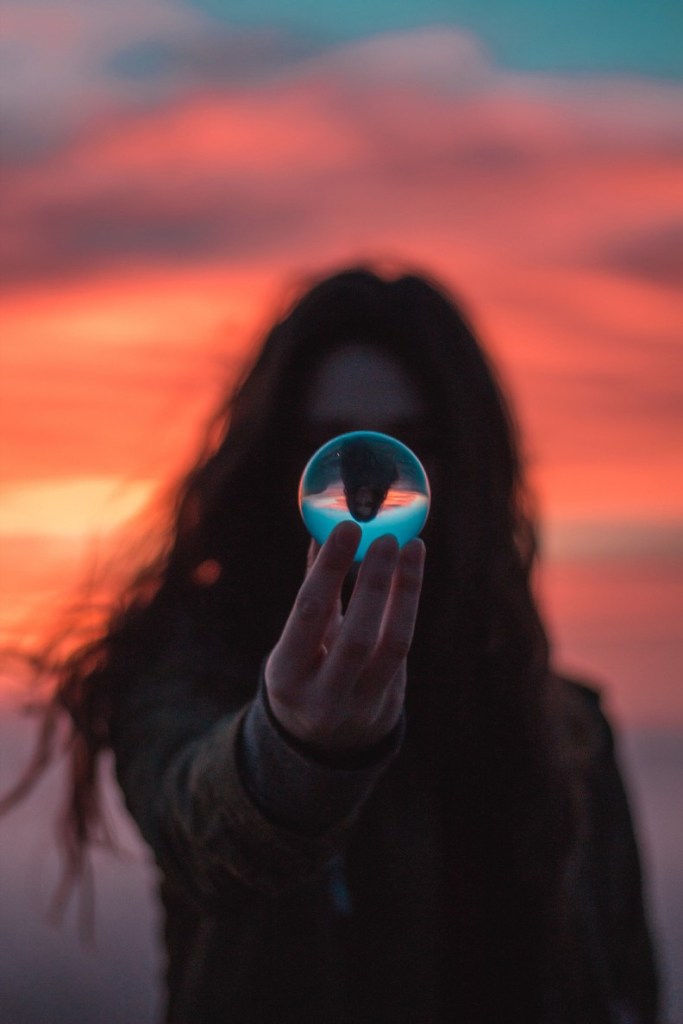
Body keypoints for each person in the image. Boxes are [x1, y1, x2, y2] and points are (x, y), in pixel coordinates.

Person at [6, 267, 659, 1022]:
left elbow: (626, 990)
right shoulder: (189, 675)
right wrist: (291, 752)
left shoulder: (564, 733)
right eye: (331, 446)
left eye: (406, 444)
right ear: (275, 460)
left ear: (465, 464)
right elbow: (199, 818)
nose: (366, 488)